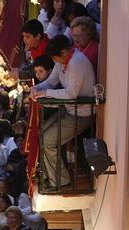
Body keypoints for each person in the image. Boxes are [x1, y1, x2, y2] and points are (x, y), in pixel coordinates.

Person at [31, 35, 96, 190]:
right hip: (70, 111)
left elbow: (71, 94)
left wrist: (46, 93)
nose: (55, 61)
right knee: (42, 134)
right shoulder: (64, 60)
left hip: (82, 115)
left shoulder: (77, 62)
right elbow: (52, 81)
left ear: (64, 52)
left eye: (55, 57)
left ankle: (61, 182)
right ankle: (52, 176)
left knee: (48, 140)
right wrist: (37, 89)